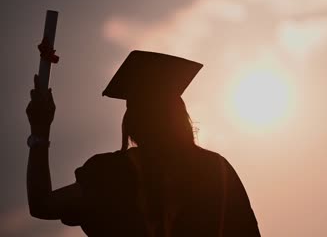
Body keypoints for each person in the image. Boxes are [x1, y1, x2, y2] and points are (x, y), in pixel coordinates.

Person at [26, 51, 261, 236]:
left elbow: (43, 205)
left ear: (133, 122)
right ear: (181, 116)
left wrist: (40, 128)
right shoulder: (218, 171)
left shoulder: (112, 173)